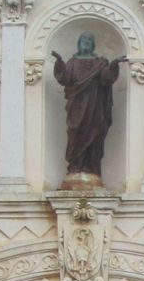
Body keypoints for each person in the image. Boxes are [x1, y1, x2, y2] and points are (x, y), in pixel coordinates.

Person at [51, 33, 126, 182]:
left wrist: (113, 65)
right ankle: (75, 166)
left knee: (95, 137)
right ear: (79, 43)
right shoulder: (72, 62)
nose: (85, 42)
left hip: (95, 107)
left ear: (92, 44)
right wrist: (59, 63)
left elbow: (106, 78)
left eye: (88, 40)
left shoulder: (100, 63)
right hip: (76, 108)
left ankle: (92, 168)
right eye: (83, 40)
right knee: (75, 133)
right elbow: (65, 78)